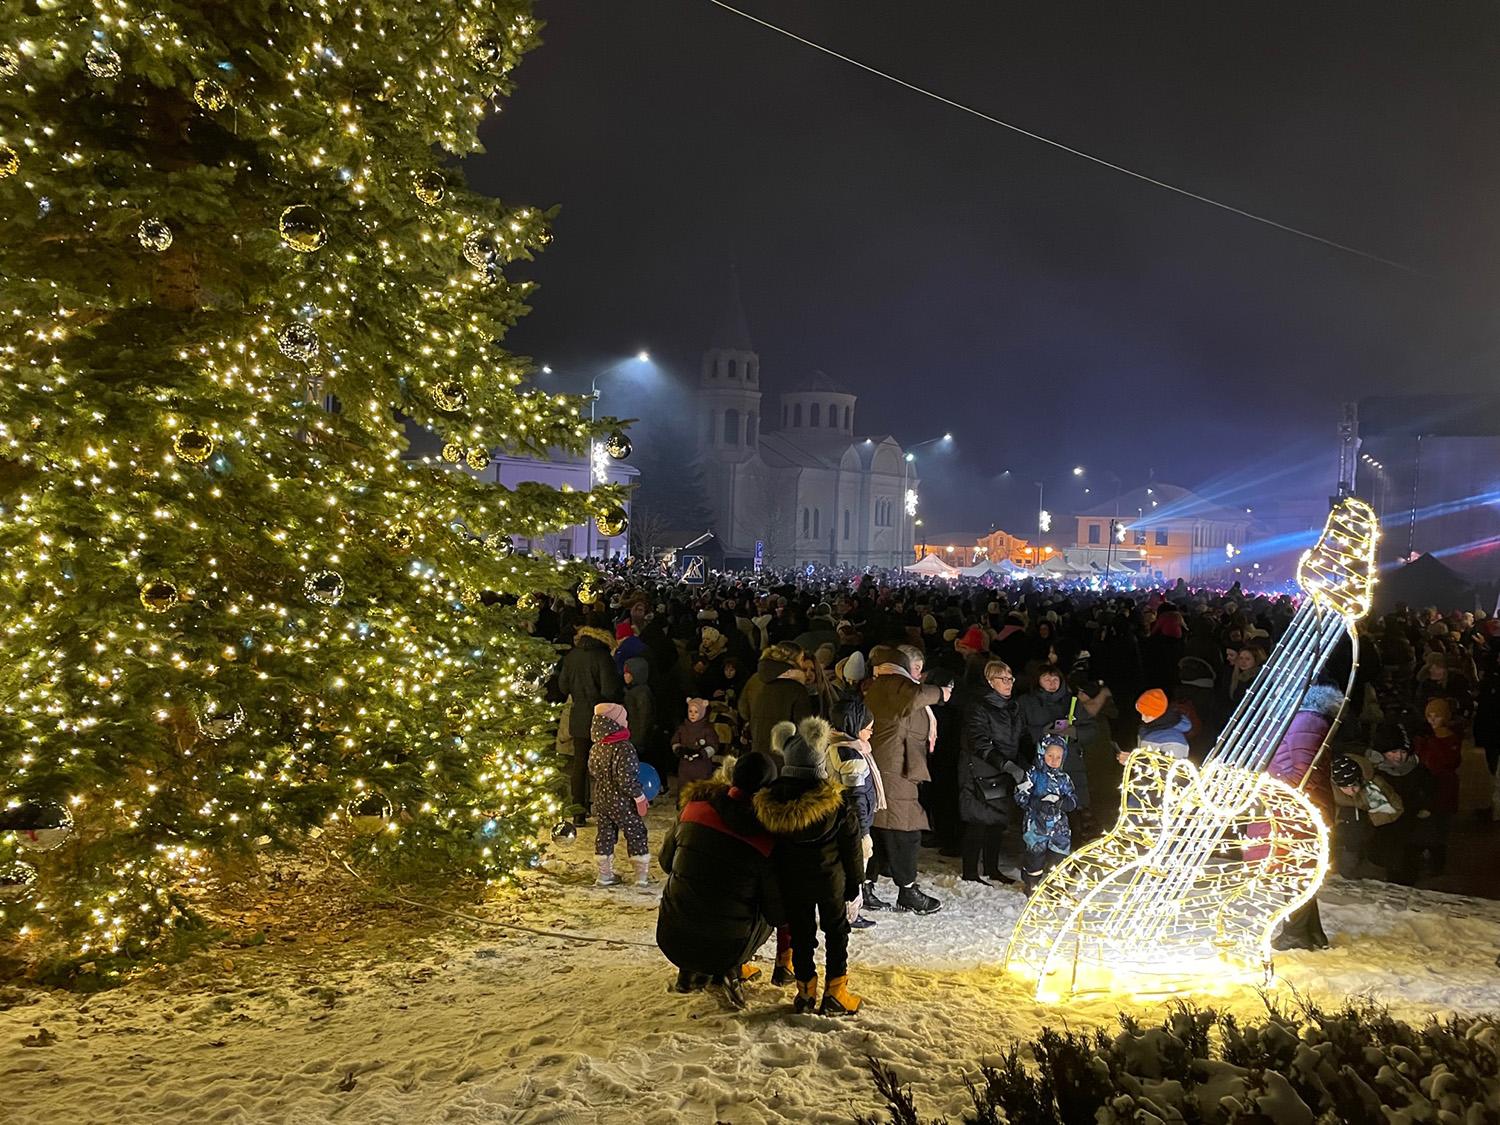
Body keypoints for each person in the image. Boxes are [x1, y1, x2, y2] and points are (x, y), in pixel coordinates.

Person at [754, 718, 865, 1016]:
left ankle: (805, 991)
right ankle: (836, 991)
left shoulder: (770, 803)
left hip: (791, 879)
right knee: (836, 930)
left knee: (801, 933)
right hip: (829, 878)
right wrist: (856, 882)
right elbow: (851, 847)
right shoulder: (835, 804)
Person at [656, 753, 784, 1008]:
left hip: (671, 935)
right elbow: (776, 913)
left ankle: (688, 972)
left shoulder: (694, 809)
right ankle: (731, 969)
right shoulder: (766, 838)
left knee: (692, 886)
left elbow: (666, 863)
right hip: (728, 947)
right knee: (763, 902)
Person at [865, 645, 949, 914]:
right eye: (914, 668)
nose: (918, 675)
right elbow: (914, 699)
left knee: (881, 828)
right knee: (905, 831)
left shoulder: (893, 689)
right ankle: (907, 891)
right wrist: (941, 694)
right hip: (893, 768)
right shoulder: (895, 687)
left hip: (899, 766)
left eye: (921, 669)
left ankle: (867, 886)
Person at [1265, 683, 1342, 950]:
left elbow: (1304, 771)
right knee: (1300, 869)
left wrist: (1280, 789)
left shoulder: (1305, 720)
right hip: (1298, 806)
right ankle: (1310, 933)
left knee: (1294, 870)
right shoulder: (1307, 719)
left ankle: (1295, 934)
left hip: (1297, 809)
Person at [958, 660, 1026, 884]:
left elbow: (1018, 737)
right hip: (980, 768)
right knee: (978, 820)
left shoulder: (1012, 707)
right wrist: (1004, 763)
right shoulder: (979, 705)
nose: (1008, 683)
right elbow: (979, 741)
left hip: (1004, 767)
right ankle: (970, 871)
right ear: (990, 681)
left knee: (997, 820)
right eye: (1002, 679)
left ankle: (991, 867)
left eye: (1010, 679)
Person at [556, 625, 623, 823]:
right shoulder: (603, 657)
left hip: (578, 716)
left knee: (580, 764)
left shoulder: (571, 656)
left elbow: (563, 686)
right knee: (603, 764)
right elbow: (610, 689)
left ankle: (578, 812)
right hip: (600, 717)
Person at [1020, 663, 1097, 829]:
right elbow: (1018, 731)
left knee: (1073, 812)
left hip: (1071, 765)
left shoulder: (1073, 703)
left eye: (1055, 679)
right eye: (1046, 679)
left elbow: (1091, 730)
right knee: (1042, 814)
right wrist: (1041, 732)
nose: (1052, 683)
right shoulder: (1026, 702)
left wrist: (1074, 731)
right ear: (1037, 681)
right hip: (1041, 766)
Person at [828, 696, 884, 925]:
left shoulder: (832, 745)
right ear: (855, 726)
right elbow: (856, 797)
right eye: (868, 728)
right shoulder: (851, 756)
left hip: (837, 820)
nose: (871, 733)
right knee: (853, 868)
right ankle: (849, 915)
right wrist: (863, 832)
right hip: (851, 824)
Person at [589, 702, 651, 887]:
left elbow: (592, 770)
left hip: (602, 798)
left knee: (605, 834)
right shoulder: (624, 748)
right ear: (616, 722)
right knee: (636, 832)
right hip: (622, 801)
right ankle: (641, 876)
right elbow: (626, 779)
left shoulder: (596, 747)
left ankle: (604, 875)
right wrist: (639, 796)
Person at [1367, 721, 1436, 885]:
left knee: (1408, 866)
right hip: (1385, 831)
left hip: (1411, 829)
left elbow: (1431, 792)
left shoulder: (1418, 771)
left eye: (1403, 751)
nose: (1399, 756)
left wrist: (1425, 806)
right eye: (1393, 751)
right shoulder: (1372, 772)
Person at [1015, 733, 1078, 894]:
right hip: (1036, 826)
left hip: (1059, 827)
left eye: (1059, 756)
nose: (1054, 760)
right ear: (1042, 753)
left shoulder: (1064, 778)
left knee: (1059, 858)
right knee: (1035, 859)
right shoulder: (1033, 774)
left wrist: (1064, 803)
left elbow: (1073, 798)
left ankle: (1058, 889)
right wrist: (1036, 803)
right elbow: (1020, 795)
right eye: (1050, 755)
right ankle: (1031, 885)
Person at [1331, 751, 1403, 878]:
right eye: (1344, 787)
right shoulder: (1328, 787)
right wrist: (1341, 815)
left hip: (1374, 833)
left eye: (1354, 785)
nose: (1351, 791)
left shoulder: (1375, 784)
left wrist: (1368, 819)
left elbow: (1396, 808)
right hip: (1342, 835)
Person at [1414, 697, 1462, 876]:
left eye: (1437, 716)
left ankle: (1436, 865)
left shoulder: (1449, 739)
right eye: (1429, 716)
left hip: (1443, 789)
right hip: (1427, 788)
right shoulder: (1424, 737)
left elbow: (1447, 763)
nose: (1432, 720)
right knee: (1426, 826)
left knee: (1440, 828)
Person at [740, 642, 814, 757]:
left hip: (758, 748)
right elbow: (804, 726)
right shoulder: (795, 688)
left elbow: (743, 710)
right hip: (784, 752)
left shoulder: (754, 680)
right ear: (793, 659)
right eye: (801, 658)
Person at [1126, 688, 1192, 760]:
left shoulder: (1175, 739)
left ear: (1158, 714)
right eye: (1141, 713)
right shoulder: (1146, 728)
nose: (1142, 718)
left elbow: (1170, 768)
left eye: (1147, 714)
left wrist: (1133, 761)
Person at [671, 697, 721, 786]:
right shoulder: (683, 728)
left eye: (696, 712)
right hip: (685, 767)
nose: (692, 714)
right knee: (684, 787)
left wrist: (701, 753)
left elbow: (713, 745)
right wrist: (678, 749)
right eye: (690, 711)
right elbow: (675, 740)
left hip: (702, 767)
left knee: (700, 788)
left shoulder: (707, 729)